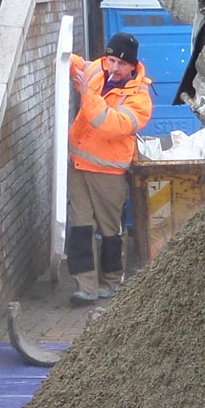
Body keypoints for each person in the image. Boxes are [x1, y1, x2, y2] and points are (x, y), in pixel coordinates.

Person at [66, 31, 153, 304]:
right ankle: (86, 287)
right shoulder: (97, 69)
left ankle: (112, 282)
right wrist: (61, 57)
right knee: (80, 227)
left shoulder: (140, 100)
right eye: (110, 59)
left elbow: (111, 124)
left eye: (120, 63)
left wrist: (86, 94)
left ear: (132, 66)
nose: (113, 68)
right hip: (79, 165)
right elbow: (77, 65)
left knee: (110, 231)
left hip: (108, 173)